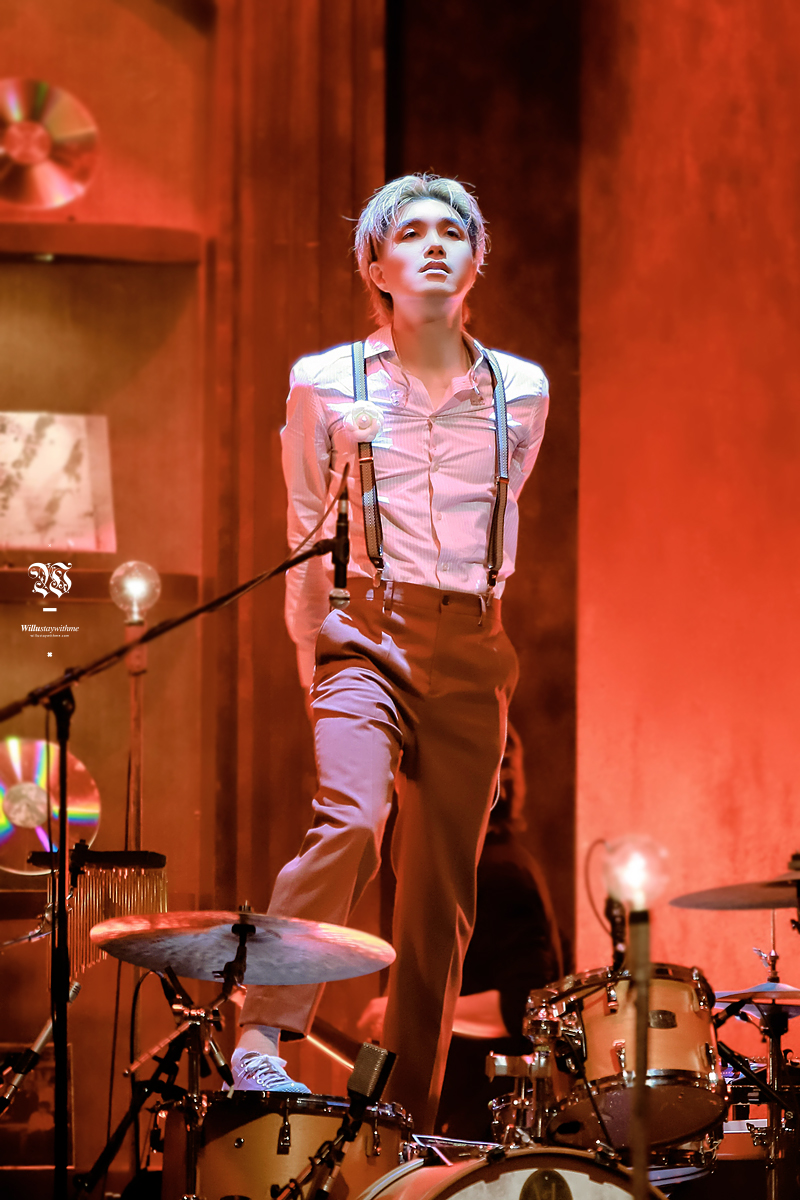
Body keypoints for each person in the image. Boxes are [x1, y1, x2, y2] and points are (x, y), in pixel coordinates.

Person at [232, 173, 550, 1133]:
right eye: (409, 233)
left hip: (474, 642)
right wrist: (315, 661)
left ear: (477, 260)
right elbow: (304, 531)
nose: (434, 244)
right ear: (376, 266)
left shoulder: (522, 389)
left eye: (453, 231)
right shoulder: (325, 380)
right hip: (364, 631)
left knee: (441, 898)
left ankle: (403, 1120)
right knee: (352, 823)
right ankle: (261, 1032)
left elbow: (506, 507)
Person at [358, 725, 567, 1141]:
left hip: (486, 1125)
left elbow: (526, 1008)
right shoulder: (482, 866)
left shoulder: (500, 872)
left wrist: (407, 1013)